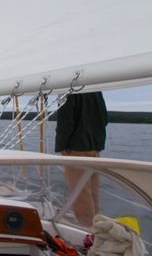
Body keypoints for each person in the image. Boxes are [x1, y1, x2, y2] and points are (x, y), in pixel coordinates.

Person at [55, 91, 108, 227]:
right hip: (95, 149)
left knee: (81, 196)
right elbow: (104, 118)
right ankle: (97, 229)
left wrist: (62, 145)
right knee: (93, 195)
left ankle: (88, 233)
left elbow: (65, 120)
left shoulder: (69, 88)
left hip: (76, 149)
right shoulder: (96, 91)